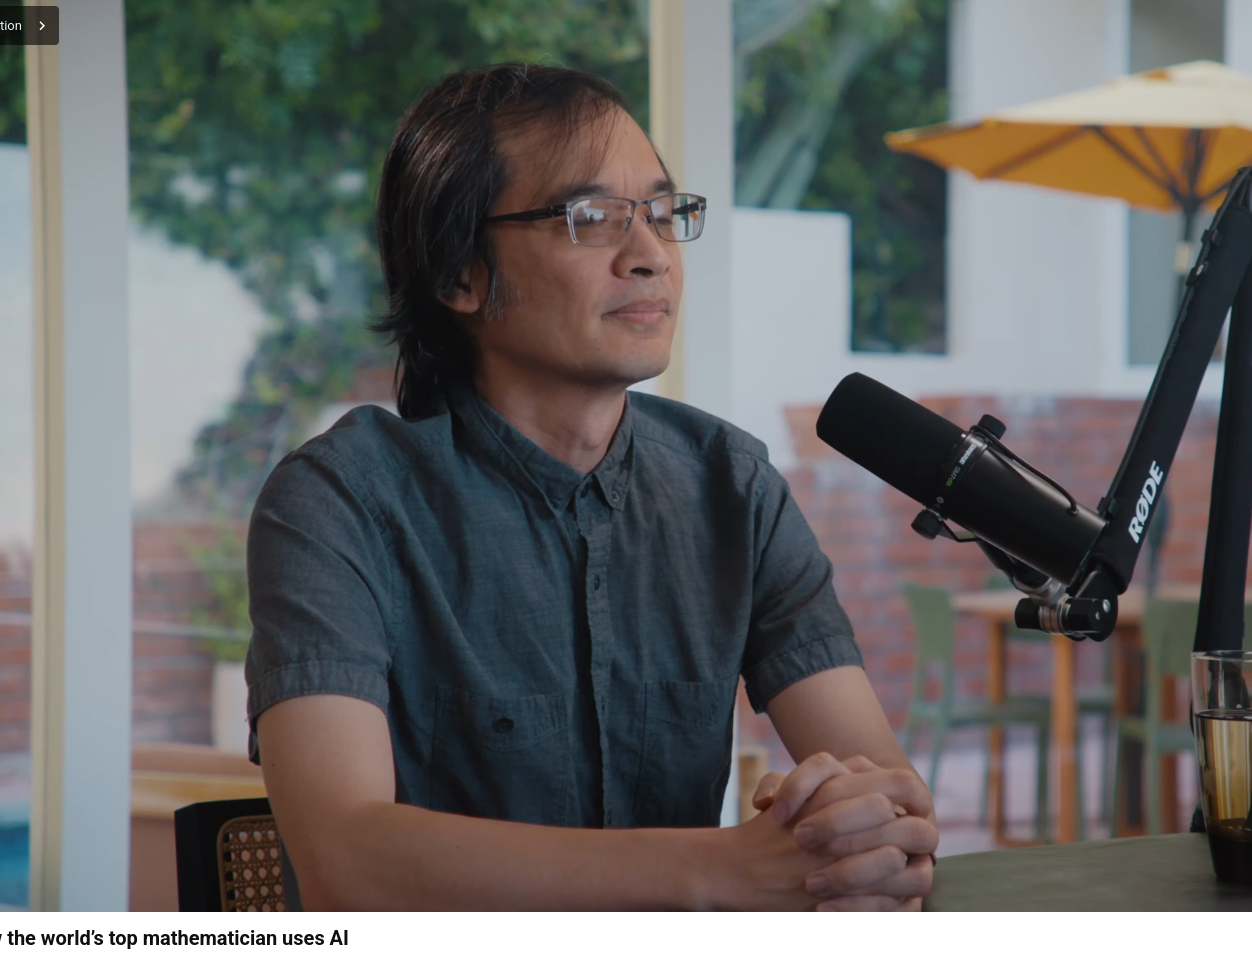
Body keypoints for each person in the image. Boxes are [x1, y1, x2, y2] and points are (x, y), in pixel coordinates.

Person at [245, 62, 939, 911]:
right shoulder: (339, 501)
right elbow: (347, 859)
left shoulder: (734, 488)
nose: (650, 257)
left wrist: (864, 831)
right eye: (593, 218)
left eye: (661, 214)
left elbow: (891, 797)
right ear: (459, 273)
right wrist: (722, 868)